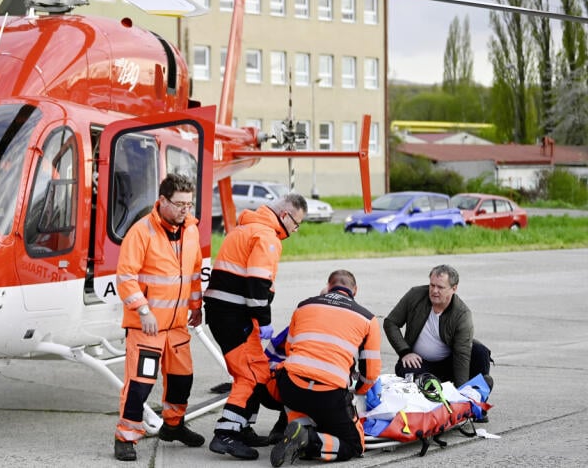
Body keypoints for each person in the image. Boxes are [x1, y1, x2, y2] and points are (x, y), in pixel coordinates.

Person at [204, 194, 308, 460]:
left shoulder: (245, 228)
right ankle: (225, 434)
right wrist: (264, 320)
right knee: (250, 375)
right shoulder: (266, 237)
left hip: (226, 312)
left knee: (254, 370)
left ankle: (243, 427)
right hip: (235, 315)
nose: (295, 231)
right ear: (285, 216)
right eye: (296, 224)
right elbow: (257, 283)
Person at [113, 173, 205, 462]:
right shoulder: (141, 232)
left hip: (177, 325)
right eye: (179, 204)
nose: (185, 210)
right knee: (141, 383)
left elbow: (193, 273)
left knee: (182, 380)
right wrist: (143, 311)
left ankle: (173, 427)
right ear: (162, 201)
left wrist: (196, 306)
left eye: (189, 204)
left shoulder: (191, 230)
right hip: (147, 327)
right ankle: (126, 437)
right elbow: (125, 278)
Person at [269, 270, 381, 467]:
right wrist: (358, 392)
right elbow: (370, 373)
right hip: (328, 395)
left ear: (328, 286)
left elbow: (290, 349)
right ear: (355, 290)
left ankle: (298, 426)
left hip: (291, 387)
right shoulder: (367, 319)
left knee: (294, 387)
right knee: (354, 445)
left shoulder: (304, 306)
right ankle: (309, 440)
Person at [383, 264, 494, 402]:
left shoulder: (462, 315)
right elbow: (390, 322)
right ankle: (436, 390)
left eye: (440, 287)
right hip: (419, 363)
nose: (434, 290)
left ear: (454, 289)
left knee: (479, 352)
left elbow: (462, 356)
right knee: (407, 370)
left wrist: (460, 396)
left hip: (449, 364)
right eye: (432, 285)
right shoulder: (415, 295)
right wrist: (404, 352)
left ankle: (476, 400)